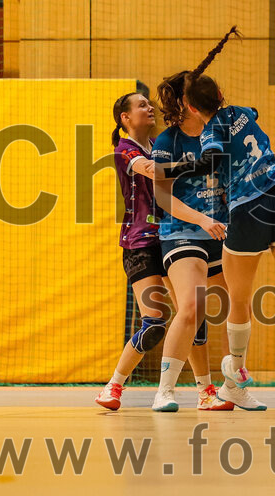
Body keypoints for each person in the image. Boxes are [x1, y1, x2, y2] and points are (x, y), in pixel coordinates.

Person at [162, 27, 275, 409]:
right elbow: (246, 116)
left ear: (191, 109)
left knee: (237, 300)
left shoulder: (210, 130)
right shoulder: (243, 113)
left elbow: (210, 157)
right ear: (222, 96)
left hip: (245, 209)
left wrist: (178, 166)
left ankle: (237, 371)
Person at [96, 91, 225, 411]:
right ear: (125, 118)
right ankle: (113, 386)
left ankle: (205, 391)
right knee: (154, 321)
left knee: (193, 315)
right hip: (140, 244)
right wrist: (198, 162)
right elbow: (154, 171)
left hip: (172, 238)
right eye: (141, 105)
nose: (149, 107)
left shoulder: (160, 146)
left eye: (149, 103)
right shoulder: (125, 150)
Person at [149, 72, 238, 412]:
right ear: (186, 102)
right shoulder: (168, 141)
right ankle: (165, 391)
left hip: (224, 232)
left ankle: (221, 388)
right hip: (184, 231)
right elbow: (161, 195)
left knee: (239, 308)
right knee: (190, 307)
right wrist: (202, 219)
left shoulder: (223, 131)